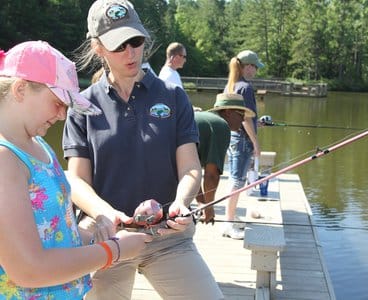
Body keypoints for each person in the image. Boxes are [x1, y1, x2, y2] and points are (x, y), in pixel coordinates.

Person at [63, 1, 223, 299]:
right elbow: (76, 181)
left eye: (135, 41)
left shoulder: (174, 96)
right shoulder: (82, 107)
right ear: (98, 48)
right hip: (109, 238)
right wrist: (105, 214)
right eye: (118, 45)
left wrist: (181, 202)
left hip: (168, 237)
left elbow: (190, 167)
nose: (131, 52)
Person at [0, 40, 153, 299]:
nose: (62, 115)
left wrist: (95, 231)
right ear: (21, 89)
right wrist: (114, 251)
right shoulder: (5, 159)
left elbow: (54, 232)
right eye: (58, 102)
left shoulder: (39, 146)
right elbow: (27, 269)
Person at [194, 93, 255, 224]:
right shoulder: (220, 126)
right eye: (240, 113)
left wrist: (201, 203)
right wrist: (208, 207)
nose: (244, 118)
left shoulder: (205, 120)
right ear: (228, 112)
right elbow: (211, 175)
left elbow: (190, 171)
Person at [222, 50, 264, 239]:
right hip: (243, 141)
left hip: (233, 137)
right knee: (237, 181)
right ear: (247, 66)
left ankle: (230, 217)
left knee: (234, 179)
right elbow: (245, 118)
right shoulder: (245, 87)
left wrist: (257, 123)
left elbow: (236, 116)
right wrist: (256, 143)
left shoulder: (232, 85)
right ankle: (228, 225)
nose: (255, 71)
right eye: (254, 67)